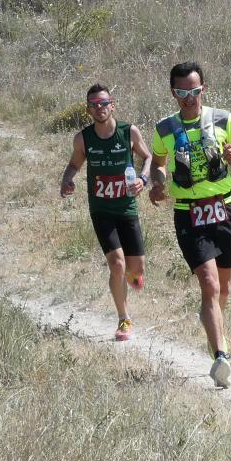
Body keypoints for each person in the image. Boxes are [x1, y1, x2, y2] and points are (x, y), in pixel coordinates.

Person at [149, 62, 231, 388]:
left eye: (194, 91)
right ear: (173, 93)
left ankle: (212, 322)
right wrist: (157, 182)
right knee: (208, 285)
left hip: (225, 210)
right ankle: (221, 356)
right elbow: (158, 163)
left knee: (222, 289)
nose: (189, 98)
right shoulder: (165, 128)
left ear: (203, 89)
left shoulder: (222, 118)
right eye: (182, 92)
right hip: (189, 214)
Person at [60, 84, 152, 341]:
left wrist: (143, 181)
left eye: (103, 103)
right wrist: (67, 180)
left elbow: (148, 158)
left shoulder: (129, 132)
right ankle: (124, 319)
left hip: (126, 206)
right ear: (88, 109)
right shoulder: (83, 138)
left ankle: (133, 275)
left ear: (113, 104)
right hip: (101, 209)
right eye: (94, 105)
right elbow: (74, 164)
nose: (99, 108)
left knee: (136, 268)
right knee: (117, 264)